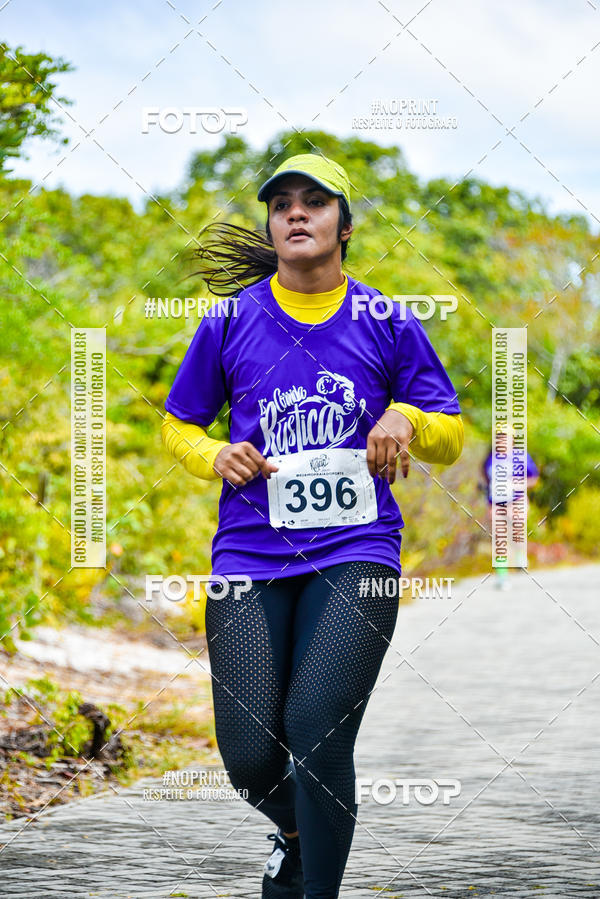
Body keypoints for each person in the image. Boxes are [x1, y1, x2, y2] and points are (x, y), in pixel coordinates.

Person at [161, 153, 464, 898]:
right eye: (282, 204)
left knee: (317, 724)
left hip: (356, 548)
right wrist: (213, 454)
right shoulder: (231, 319)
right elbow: (178, 422)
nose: (296, 212)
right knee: (250, 755)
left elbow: (452, 430)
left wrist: (408, 416)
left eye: (315, 202)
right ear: (271, 224)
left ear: (344, 225)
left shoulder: (385, 319)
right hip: (250, 551)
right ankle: (296, 836)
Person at [481, 443, 539, 589]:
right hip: (496, 503)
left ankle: (520, 557)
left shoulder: (520, 457)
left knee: (517, 533)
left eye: (505, 436)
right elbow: (487, 480)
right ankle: (502, 576)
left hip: (516, 500)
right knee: (499, 538)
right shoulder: (490, 459)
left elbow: (534, 478)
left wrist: (519, 485)